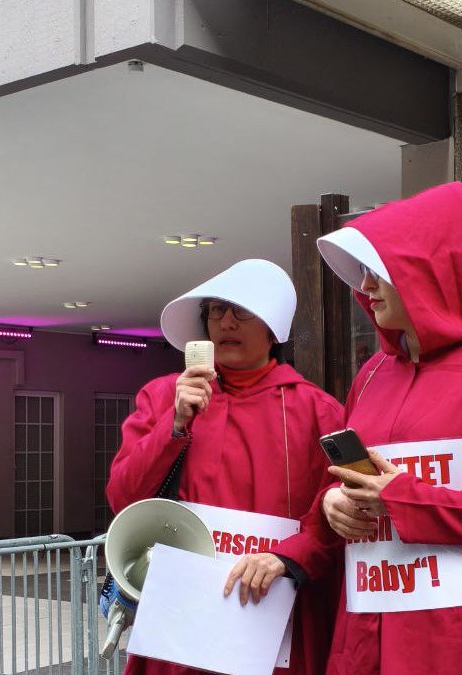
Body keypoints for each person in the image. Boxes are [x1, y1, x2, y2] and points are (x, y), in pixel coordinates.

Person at [270, 182, 462, 674]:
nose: (366, 287)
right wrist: (334, 505)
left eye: (380, 271)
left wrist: (405, 499)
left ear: (426, 270)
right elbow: (346, 487)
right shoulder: (371, 376)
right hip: (367, 635)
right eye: (365, 273)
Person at [106, 258, 344, 675]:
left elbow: (338, 516)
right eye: (216, 310)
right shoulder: (163, 396)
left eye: (242, 312)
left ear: (273, 329)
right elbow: (122, 499)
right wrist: (174, 424)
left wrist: (286, 558)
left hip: (272, 612)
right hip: (179, 613)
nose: (226, 323)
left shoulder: (319, 412)